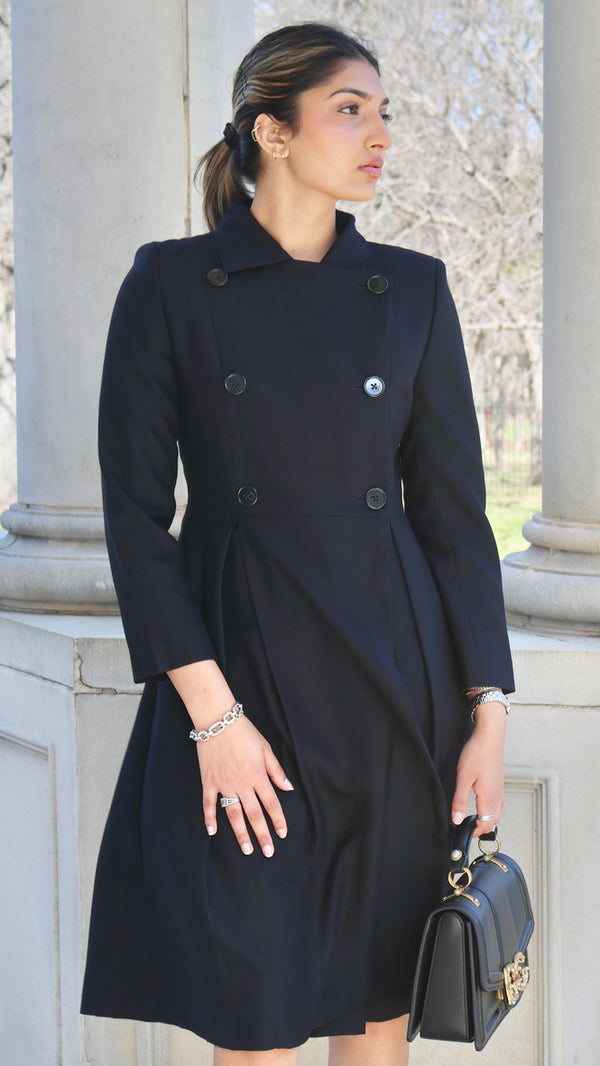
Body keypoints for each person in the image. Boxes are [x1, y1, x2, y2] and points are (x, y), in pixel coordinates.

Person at [81, 21, 514, 1066]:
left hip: (391, 692)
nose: (381, 135)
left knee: (376, 1009)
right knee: (257, 1008)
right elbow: (135, 520)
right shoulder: (170, 284)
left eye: (384, 113)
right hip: (239, 690)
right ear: (272, 131)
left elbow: (454, 517)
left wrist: (488, 713)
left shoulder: (412, 289)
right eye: (349, 110)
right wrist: (214, 719)